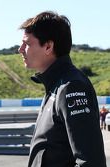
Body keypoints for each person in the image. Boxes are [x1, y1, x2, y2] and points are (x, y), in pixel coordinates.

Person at [18, 11, 106, 167]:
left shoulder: (71, 87)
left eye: (27, 43)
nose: (20, 49)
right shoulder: (55, 86)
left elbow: (91, 162)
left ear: (48, 46)